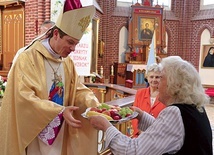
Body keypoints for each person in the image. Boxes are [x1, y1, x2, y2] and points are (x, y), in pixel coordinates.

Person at [0, 0, 100, 155]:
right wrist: (58, 111)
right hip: (35, 131)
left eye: (76, 44)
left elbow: (77, 90)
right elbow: (23, 98)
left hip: (61, 131)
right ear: (55, 34)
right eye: (70, 42)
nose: (73, 49)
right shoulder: (28, 58)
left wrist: (93, 103)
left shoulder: (67, 62)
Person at [89, 56, 213, 155]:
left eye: (162, 78)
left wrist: (106, 126)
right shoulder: (195, 108)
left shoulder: (175, 112)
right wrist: (142, 116)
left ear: (174, 84)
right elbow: (170, 133)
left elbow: (133, 151)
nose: (157, 83)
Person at [132, 63, 165, 137]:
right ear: (147, 78)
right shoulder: (140, 93)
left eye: (157, 77)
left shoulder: (165, 95)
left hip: (158, 136)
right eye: (151, 77)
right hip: (140, 135)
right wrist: (138, 132)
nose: (154, 80)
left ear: (161, 78)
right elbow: (134, 115)